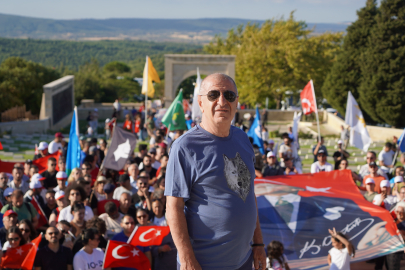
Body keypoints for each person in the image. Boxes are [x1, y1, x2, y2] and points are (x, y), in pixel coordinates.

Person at [165, 73, 266, 270]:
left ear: (236, 102)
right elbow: (173, 207)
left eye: (229, 95)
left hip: (243, 261)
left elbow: (248, 192)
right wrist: (186, 258)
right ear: (200, 103)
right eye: (213, 95)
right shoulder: (185, 147)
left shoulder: (243, 139)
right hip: (203, 264)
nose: (222, 101)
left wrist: (258, 243)